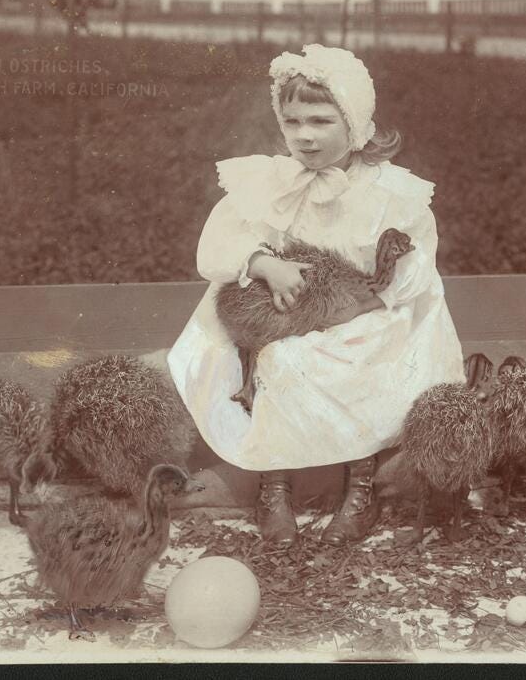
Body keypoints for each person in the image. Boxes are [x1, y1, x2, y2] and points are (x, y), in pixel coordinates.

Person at [167, 44, 467, 548]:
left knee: (356, 358)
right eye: (292, 121)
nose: (304, 136)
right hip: (288, 311)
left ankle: (361, 488)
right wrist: (265, 264)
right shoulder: (271, 182)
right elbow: (216, 249)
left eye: (322, 121)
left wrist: (351, 305)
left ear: (357, 124)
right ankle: (274, 487)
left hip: (370, 313)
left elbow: (416, 275)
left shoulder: (391, 193)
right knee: (281, 358)